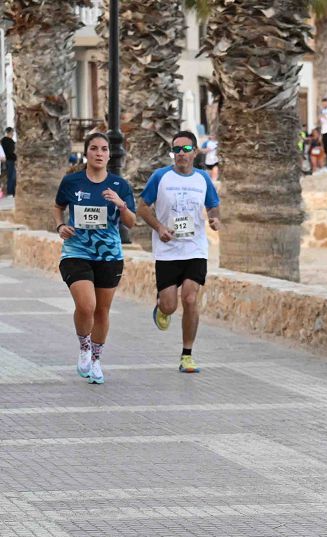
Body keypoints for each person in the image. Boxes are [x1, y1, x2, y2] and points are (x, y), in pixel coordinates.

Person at [53, 132, 137, 385]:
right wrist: (60, 227)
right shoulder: (72, 182)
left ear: (109, 155)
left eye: (103, 149)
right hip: (76, 252)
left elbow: (131, 223)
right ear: (86, 153)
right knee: (87, 305)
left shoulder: (120, 185)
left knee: (102, 310)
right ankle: (84, 347)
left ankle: (97, 360)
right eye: (94, 148)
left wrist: (121, 204)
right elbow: (58, 207)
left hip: (109, 255)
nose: (99, 153)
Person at [137, 131, 222, 373]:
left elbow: (213, 205)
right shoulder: (161, 177)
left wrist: (215, 220)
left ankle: (187, 355)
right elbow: (142, 208)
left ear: (195, 152)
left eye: (186, 149)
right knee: (170, 306)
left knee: (191, 298)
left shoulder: (203, 179)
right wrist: (159, 227)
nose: (181, 154)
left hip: (195, 249)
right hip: (167, 251)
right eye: (177, 150)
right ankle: (162, 307)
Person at [1, 128, 15, 197]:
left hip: (9, 160)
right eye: (12, 132)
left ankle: (11, 192)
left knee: (11, 177)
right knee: (11, 177)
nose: (13, 134)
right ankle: (10, 192)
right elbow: (10, 152)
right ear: (9, 132)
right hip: (10, 160)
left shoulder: (5, 140)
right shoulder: (7, 141)